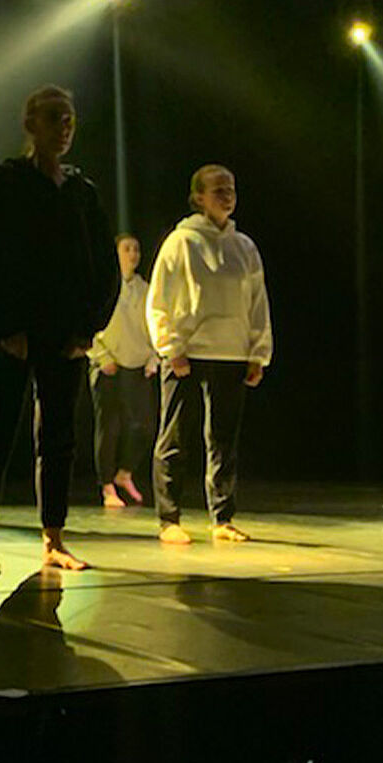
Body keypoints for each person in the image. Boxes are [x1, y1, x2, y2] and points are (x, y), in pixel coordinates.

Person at [0, 85, 118, 574]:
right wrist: (8, 325)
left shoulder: (81, 191)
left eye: (69, 119)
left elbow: (105, 266)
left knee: (58, 438)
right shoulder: (9, 179)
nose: (64, 127)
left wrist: (89, 329)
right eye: (54, 118)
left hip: (65, 335)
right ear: (31, 124)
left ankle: (54, 539)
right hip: (13, 332)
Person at [146, 164, 273, 545]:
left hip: (231, 351)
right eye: (218, 189)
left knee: (223, 439)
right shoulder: (181, 242)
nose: (227, 195)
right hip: (188, 352)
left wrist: (257, 353)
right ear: (198, 197)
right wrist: (171, 347)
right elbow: (159, 299)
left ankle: (222, 517)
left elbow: (257, 302)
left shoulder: (244, 246)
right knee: (175, 436)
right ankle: (169, 518)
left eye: (230, 188)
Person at [88, 233, 158, 509]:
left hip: (137, 364)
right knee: (110, 428)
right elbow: (89, 324)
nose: (133, 254)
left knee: (145, 426)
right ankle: (107, 486)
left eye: (136, 249)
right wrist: (101, 356)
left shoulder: (145, 289)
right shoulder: (102, 284)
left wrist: (154, 356)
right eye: (127, 249)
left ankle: (124, 473)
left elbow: (155, 324)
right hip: (108, 365)